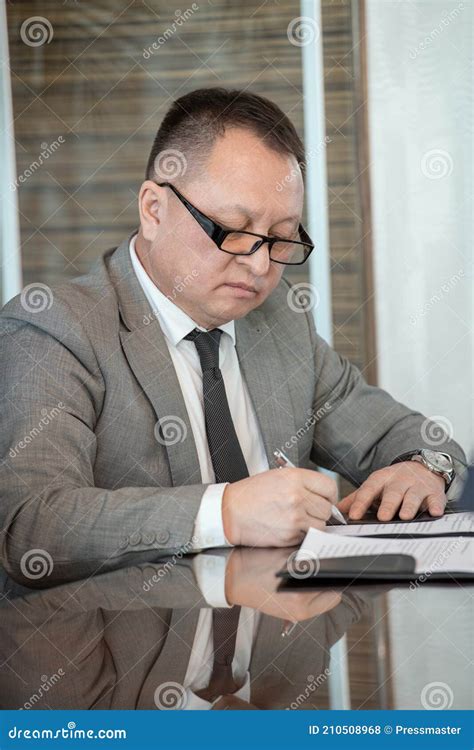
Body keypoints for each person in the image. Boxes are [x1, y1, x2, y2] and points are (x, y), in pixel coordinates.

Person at [0, 87, 466, 570]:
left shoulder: (278, 320)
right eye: (236, 232)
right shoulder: (54, 330)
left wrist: (422, 467)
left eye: (282, 238)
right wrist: (223, 513)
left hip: (272, 634)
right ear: (154, 210)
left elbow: (409, 435)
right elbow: (31, 524)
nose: (261, 264)